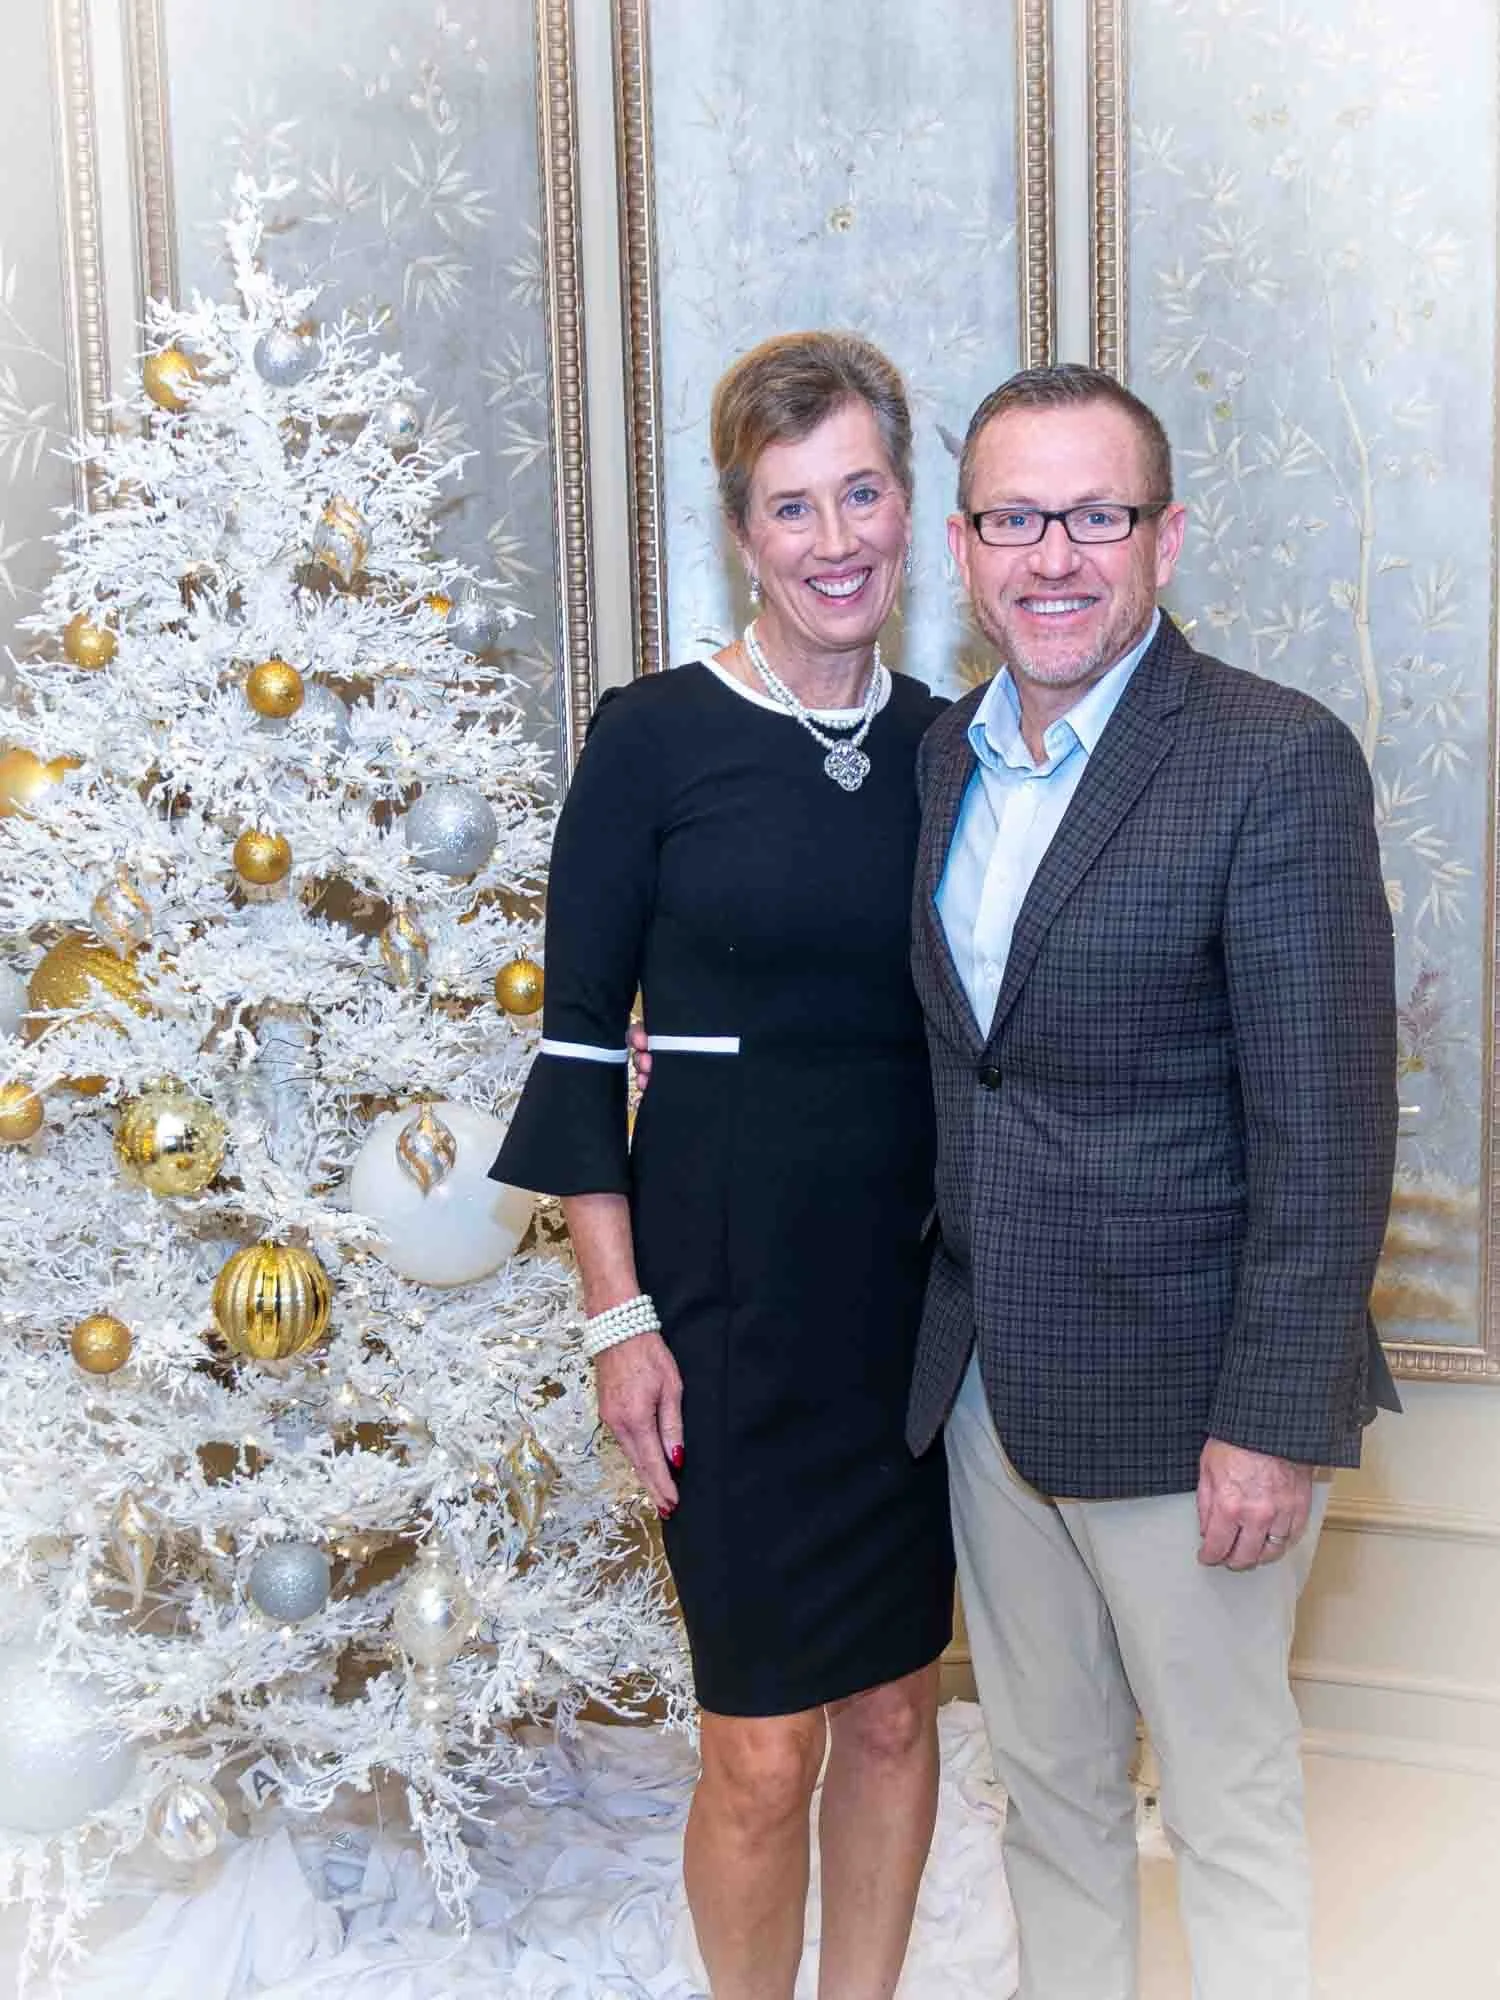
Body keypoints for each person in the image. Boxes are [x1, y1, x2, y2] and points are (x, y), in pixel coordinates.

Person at [906, 363, 1399, 2000]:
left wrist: (1271, 1417)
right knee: (1044, 1794)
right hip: (988, 1392)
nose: (1055, 557)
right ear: (965, 550)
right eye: (1015, 519)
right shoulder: (945, 763)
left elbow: (1328, 1136)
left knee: (1230, 1809)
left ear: (1165, 538)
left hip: (1199, 1413)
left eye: (1094, 516)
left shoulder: (1273, 758)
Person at [491, 331, 955, 2000]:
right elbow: (571, 1043)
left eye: (862, 493)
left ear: (910, 509)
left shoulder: (958, 750)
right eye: (790, 507)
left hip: (910, 1308)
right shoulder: (655, 737)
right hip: (725, 1302)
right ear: (741, 534)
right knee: (763, 1751)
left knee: (900, 1709)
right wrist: (620, 1324)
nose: (834, 540)